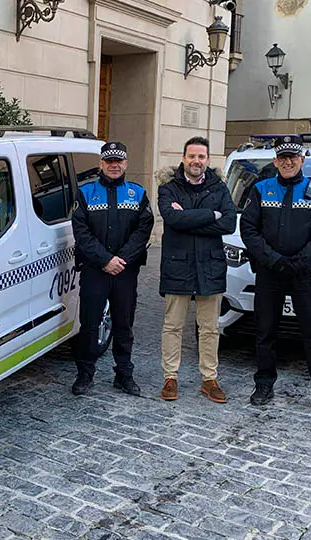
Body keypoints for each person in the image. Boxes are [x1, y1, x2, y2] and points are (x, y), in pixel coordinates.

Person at [239, 134, 311, 413]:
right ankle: (264, 383)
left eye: (293, 157)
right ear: (275, 161)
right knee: (265, 331)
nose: (288, 162)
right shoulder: (260, 189)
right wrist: (273, 260)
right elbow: (249, 230)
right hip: (270, 272)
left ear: (302, 160)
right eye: (283, 158)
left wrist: (300, 261)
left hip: (304, 273)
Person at [156, 136, 237, 403]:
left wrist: (188, 218)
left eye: (201, 157)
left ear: (207, 160)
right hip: (177, 266)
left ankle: (209, 379)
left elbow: (228, 224)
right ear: (183, 158)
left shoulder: (219, 188)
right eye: (192, 156)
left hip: (209, 266)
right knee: (172, 326)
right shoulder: (168, 187)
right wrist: (209, 214)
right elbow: (172, 218)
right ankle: (170, 377)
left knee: (210, 327)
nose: (196, 161)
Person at [71, 141, 155, 396]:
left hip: (125, 272)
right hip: (95, 271)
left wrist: (122, 260)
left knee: (124, 324)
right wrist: (105, 260)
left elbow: (143, 231)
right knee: (89, 324)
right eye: (109, 161)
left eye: (118, 161)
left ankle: (124, 374)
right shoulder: (85, 193)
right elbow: (81, 233)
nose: (114, 165)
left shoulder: (137, 194)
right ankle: (85, 374)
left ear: (126, 164)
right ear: (101, 164)